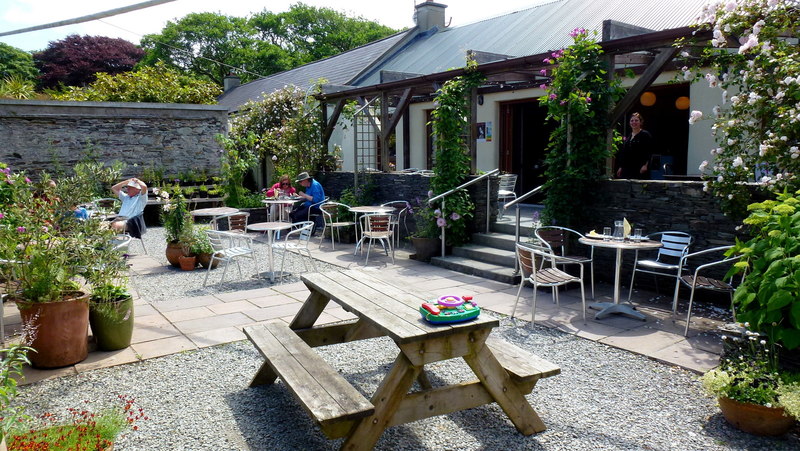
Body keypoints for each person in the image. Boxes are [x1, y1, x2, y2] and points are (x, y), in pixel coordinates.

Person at [615, 112, 653, 179]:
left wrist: (645, 165)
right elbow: (625, 153)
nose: (634, 122)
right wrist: (621, 167)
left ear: (640, 122)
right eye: (632, 120)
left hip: (640, 168)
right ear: (629, 123)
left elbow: (649, 151)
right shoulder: (629, 136)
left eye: (636, 120)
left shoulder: (645, 135)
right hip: (627, 169)